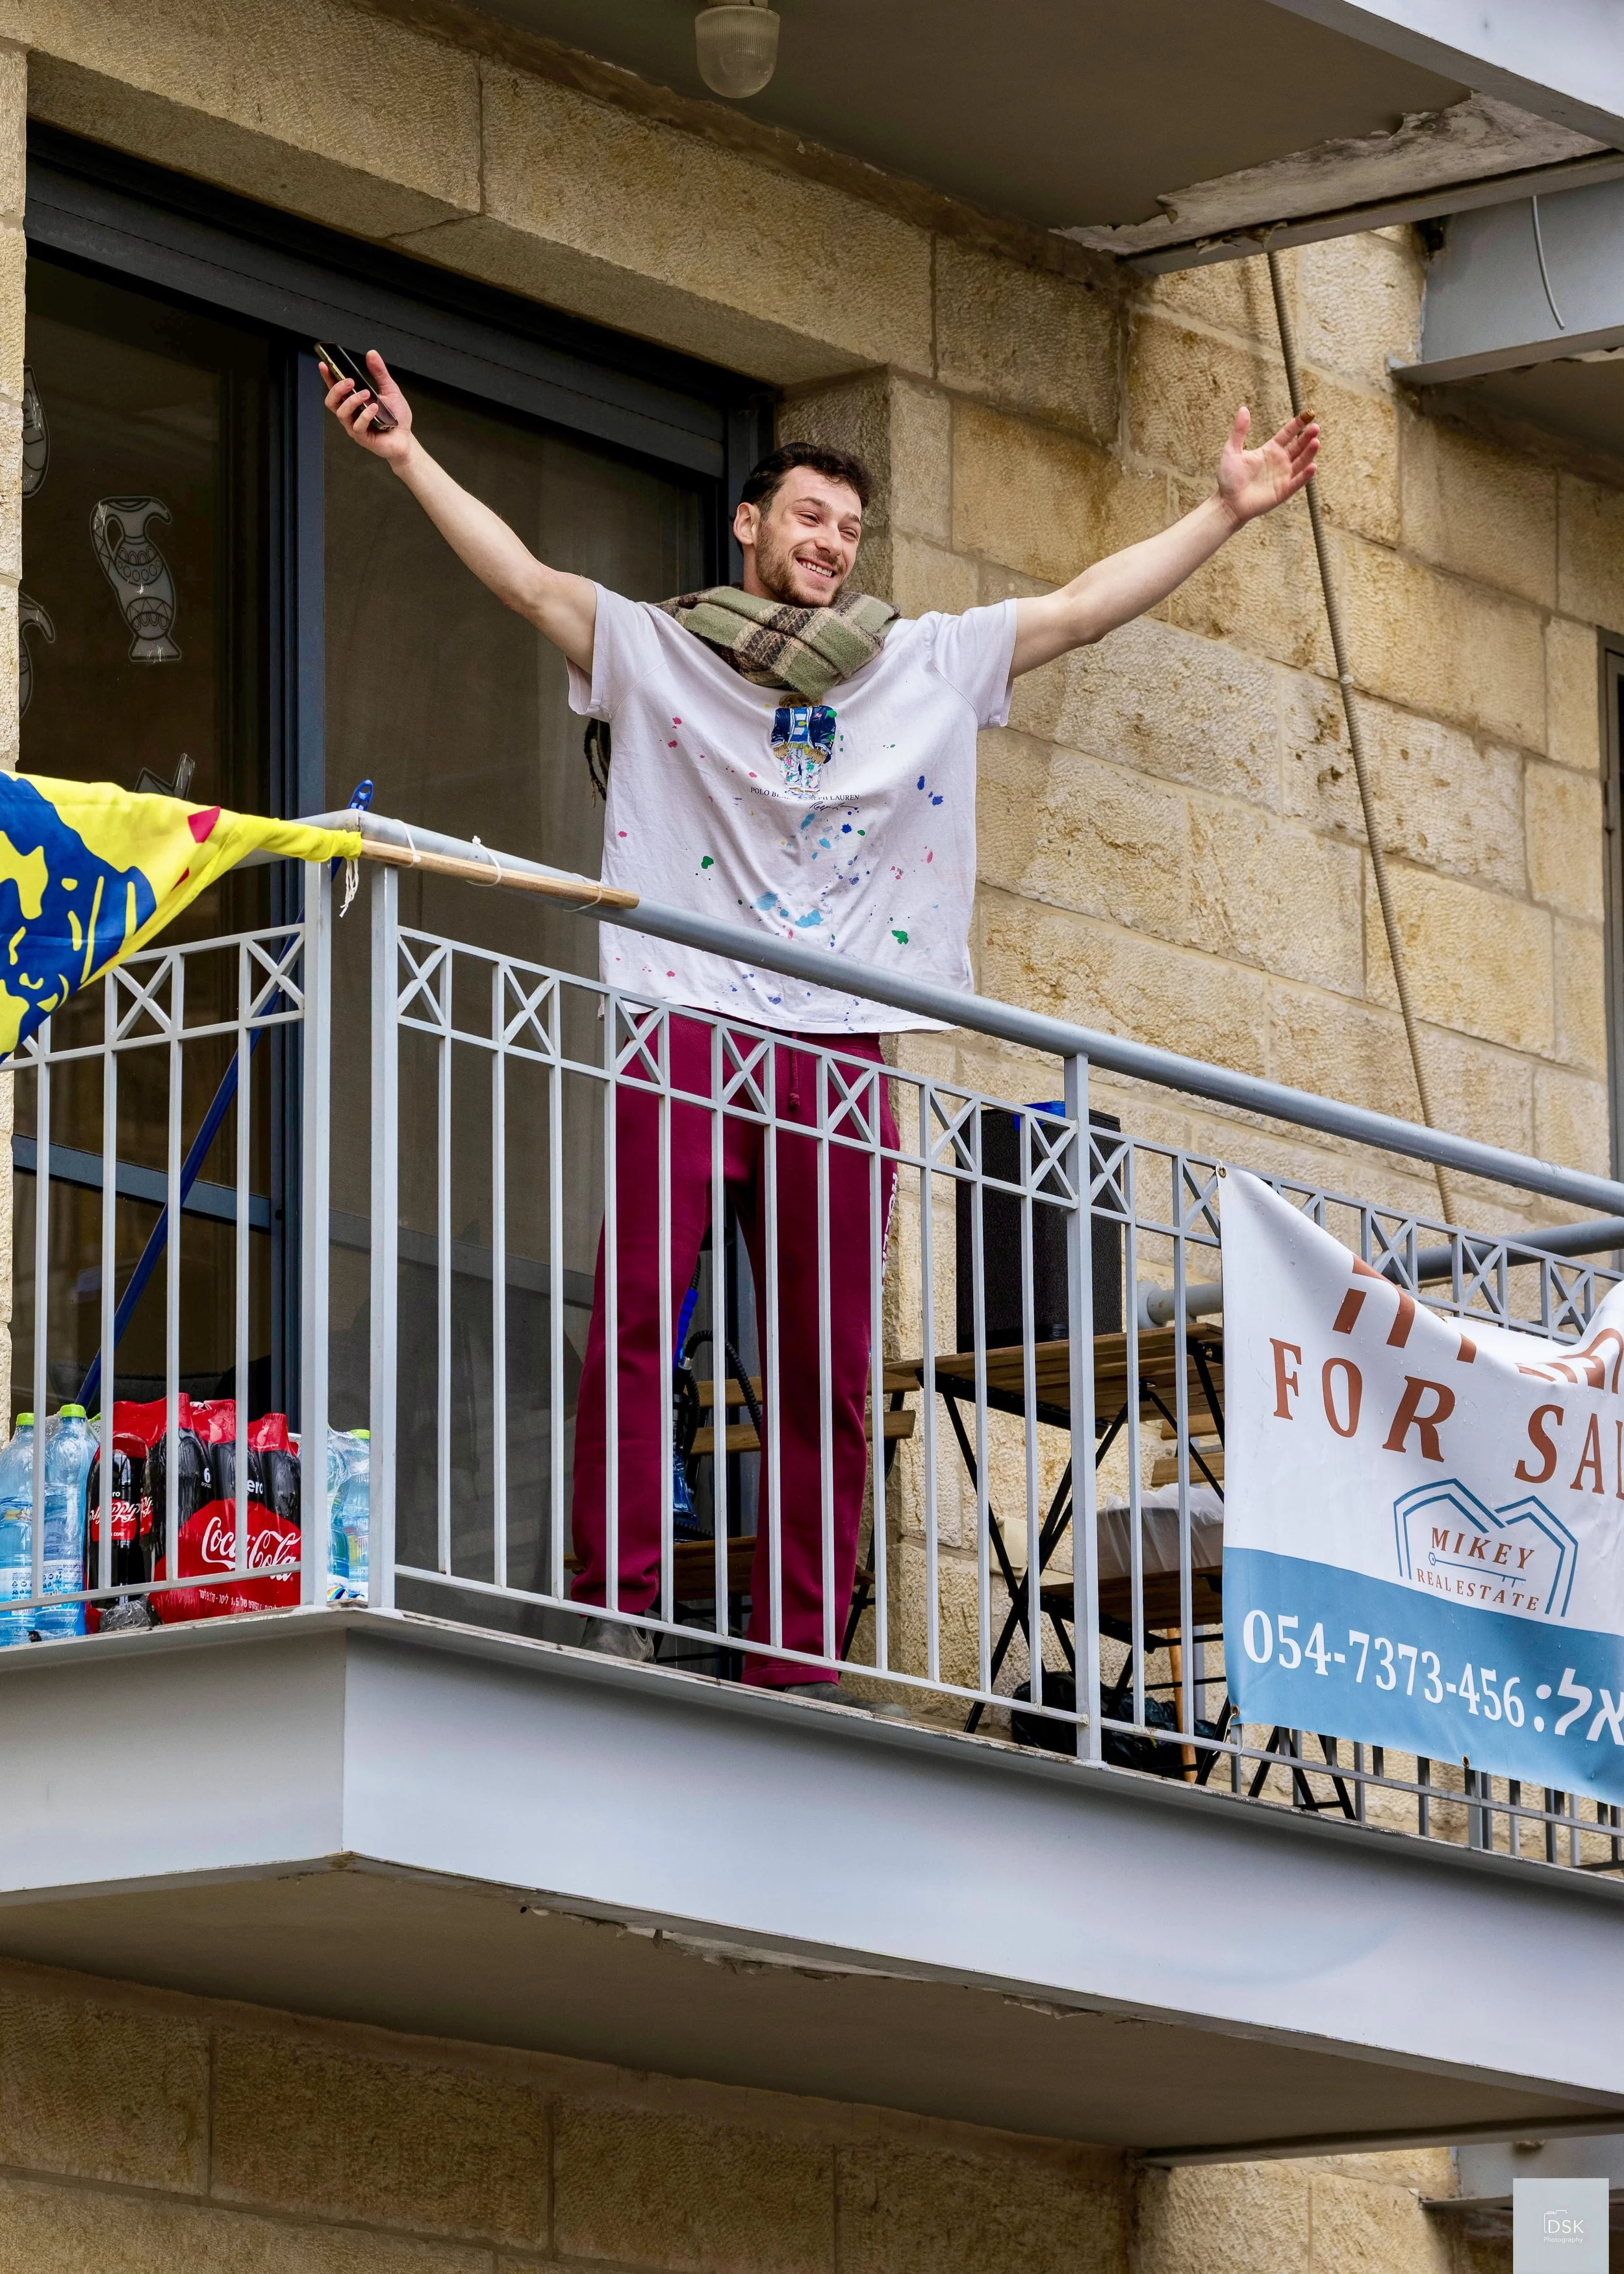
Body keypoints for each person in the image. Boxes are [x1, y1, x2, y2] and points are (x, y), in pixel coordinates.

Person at [323, 351, 1317, 1700]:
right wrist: (405, 458)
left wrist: (1222, 512)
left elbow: (1082, 610)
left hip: (838, 1037)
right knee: (636, 1317)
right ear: (747, 524)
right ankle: (609, 1604)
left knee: (824, 1354)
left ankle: (792, 1656)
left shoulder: (919, 661)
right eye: (806, 517)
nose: (830, 545)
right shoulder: (663, 649)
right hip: (682, 1011)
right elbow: (525, 583)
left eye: (848, 529)